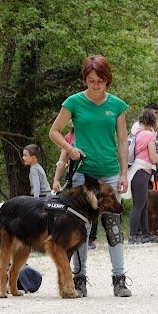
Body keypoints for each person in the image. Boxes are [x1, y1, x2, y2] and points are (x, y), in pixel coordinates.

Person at [48, 55, 132, 298]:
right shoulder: (73, 102)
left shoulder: (117, 105)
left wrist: (124, 172)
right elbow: (53, 132)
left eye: (100, 81)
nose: (95, 85)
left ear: (108, 80)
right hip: (82, 174)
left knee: (113, 226)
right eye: (91, 80)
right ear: (85, 79)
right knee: (78, 228)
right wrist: (70, 149)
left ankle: (119, 278)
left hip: (109, 172)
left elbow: (123, 143)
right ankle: (79, 278)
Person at [51, 128, 97, 249]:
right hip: (72, 175)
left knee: (92, 208)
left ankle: (91, 238)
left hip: (92, 177)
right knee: (72, 210)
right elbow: (62, 160)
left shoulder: (93, 133)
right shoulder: (69, 137)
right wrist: (56, 179)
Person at [128, 108, 158, 244]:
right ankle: (133, 235)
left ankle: (146, 233)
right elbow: (153, 157)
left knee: (144, 203)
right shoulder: (149, 135)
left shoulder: (136, 133)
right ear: (152, 121)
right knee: (138, 205)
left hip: (137, 170)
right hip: (142, 170)